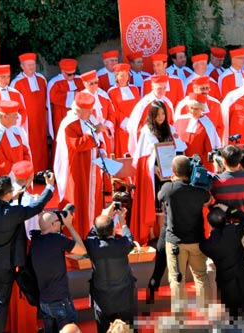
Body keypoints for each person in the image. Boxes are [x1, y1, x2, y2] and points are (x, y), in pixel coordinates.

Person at [0, 173, 55, 333]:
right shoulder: (14, 213)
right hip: (3, 265)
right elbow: (37, 206)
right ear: (8, 194)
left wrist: (9, 198)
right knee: (0, 303)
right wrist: (49, 186)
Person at [130, 101, 186, 245]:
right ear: (152, 115)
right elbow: (143, 156)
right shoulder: (146, 131)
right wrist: (153, 168)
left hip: (169, 171)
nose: (160, 117)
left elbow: (179, 148)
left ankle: (166, 233)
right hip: (154, 172)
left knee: (166, 204)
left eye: (163, 114)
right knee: (156, 203)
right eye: (157, 114)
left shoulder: (169, 128)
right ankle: (154, 235)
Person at [160, 155, 211, 310]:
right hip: (196, 240)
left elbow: (160, 197)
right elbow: (208, 200)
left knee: (177, 279)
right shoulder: (198, 189)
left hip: (175, 242)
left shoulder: (169, 188)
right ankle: (205, 315)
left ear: (173, 171)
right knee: (201, 276)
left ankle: (179, 319)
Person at [54, 92, 106, 237]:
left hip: (91, 168)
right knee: (77, 200)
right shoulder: (69, 124)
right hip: (76, 169)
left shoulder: (88, 119)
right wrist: (94, 132)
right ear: (78, 110)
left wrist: (102, 149)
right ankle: (77, 236)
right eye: (88, 110)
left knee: (92, 200)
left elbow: (98, 140)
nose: (91, 113)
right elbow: (77, 145)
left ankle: (91, 232)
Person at [31, 210, 86, 333]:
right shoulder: (57, 239)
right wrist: (70, 226)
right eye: (58, 221)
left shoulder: (35, 241)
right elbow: (82, 250)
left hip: (44, 301)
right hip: (60, 300)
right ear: (53, 225)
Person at [85, 203, 136, 332]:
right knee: (127, 330)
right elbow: (129, 237)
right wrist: (123, 222)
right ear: (113, 229)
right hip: (124, 299)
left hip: (102, 300)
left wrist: (104, 215)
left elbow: (91, 233)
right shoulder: (122, 244)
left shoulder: (92, 245)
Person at [199, 204, 244, 318]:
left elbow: (199, 240)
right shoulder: (233, 231)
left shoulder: (208, 245)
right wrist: (229, 209)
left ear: (209, 224)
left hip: (227, 284)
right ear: (226, 220)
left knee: (233, 317)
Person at [11, 53, 49, 173]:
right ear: (22, 66)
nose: (32, 67)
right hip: (27, 122)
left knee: (42, 144)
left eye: (33, 64)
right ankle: (31, 172)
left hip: (41, 119)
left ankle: (43, 170)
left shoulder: (41, 79)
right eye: (28, 65)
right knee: (30, 145)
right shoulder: (16, 83)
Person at [127, 75, 174, 155]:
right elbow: (136, 127)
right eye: (159, 88)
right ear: (152, 87)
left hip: (165, 144)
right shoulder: (144, 104)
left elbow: (171, 123)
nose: (162, 91)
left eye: (164, 88)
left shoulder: (167, 102)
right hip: (148, 145)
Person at [174, 93, 221, 170]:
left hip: (199, 165)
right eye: (191, 108)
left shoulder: (207, 124)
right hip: (181, 163)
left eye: (196, 109)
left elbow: (211, 148)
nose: (192, 111)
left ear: (202, 108)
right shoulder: (180, 120)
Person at [0, 100, 31, 178]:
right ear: (4, 116)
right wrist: (18, 172)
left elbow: (26, 151)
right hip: (6, 181)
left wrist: (26, 169)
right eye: (15, 115)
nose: (17, 117)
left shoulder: (17, 130)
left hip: (22, 177)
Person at [107, 63, 141, 158]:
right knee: (124, 152)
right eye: (121, 75)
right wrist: (126, 123)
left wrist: (135, 122)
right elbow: (113, 109)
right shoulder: (112, 91)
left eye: (126, 75)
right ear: (116, 77)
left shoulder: (134, 89)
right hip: (122, 128)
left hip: (135, 126)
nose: (124, 78)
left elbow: (139, 107)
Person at [211, 145, 244, 215]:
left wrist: (217, 170)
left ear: (224, 161)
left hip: (224, 222)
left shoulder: (216, 181)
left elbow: (212, 199)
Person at [47, 58, 84, 138]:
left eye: (74, 73)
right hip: (61, 114)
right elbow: (54, 97)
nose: (72, 76)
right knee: (62, 136)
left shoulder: (79, 79)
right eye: (69, 74)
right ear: (62, 71)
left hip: (78, 113)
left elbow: (83, 93)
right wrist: (73, 95)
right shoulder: (54, 82)